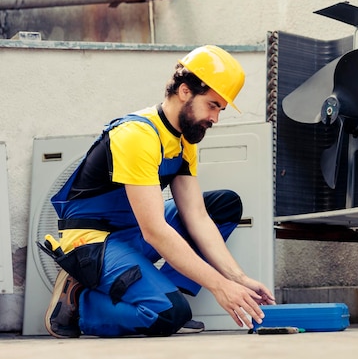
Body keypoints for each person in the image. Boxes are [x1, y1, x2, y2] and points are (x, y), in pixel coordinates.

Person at [43, 45, 275, 338]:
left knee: (223, 205)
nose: (215, 118)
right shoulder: (137, 136)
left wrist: (238, 278)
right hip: (93, 240)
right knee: (168, 315)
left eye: (220, 109)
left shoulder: (184, 141)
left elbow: (197, 217)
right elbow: (154, 230)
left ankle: (165, 293)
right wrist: (220, 286)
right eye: (213, 105)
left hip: (132, 231)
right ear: (185, 91)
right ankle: (81, 302)